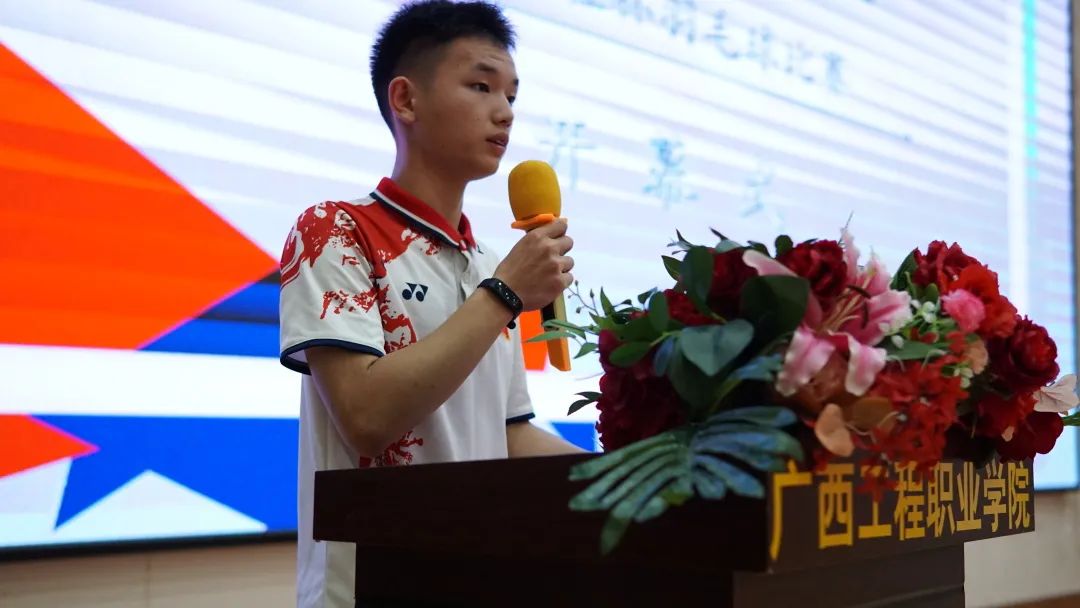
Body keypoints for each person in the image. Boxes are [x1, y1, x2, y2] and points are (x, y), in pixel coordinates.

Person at [278, 1, 584, 605]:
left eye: (512, 96)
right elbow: (366, 418)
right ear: (406, 100)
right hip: (369, 585)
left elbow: (508, 437)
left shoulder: (490, 265)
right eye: (481, 86)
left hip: (481, 577)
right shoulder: (335, 230)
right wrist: (504, 295)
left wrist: (625, 473)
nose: (505, 111)